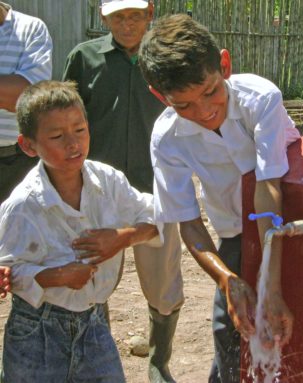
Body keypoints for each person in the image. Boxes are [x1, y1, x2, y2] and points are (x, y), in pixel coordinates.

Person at [138, 14, 299, 383]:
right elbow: (189, 223)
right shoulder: (167, 139)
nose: (204, 111)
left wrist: (270, 285)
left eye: (211, 91)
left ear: (224, 65)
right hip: (234, 241)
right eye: (184, 105)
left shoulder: (260, 99)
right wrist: (227, 279)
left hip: (284, 225)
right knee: (230, 335)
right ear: (159, 97)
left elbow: (267, 187)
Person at [0, 80, 162, 382]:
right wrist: (57, 276)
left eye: (80, 130)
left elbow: (158, 215)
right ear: (28, 145)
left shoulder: (108, 182)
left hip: (94, 324)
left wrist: (123, 238)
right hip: (37, 333)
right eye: (58, 136)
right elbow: (11, 273)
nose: (73, 144)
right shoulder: (23, 206)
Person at [62, 1, 183, 381]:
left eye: (134, 15)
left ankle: (158, 361)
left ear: (150, 13)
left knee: (163, 282)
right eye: (118, 17)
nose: (126, 24)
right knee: (93, 277)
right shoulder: (85, 58)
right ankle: (98, 353)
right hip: (96, 192)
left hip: (158, 187)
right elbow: (66, 114)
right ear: (103, 18)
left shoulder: (166, 57)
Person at [0, 2, 52, 203]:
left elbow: (26, 98)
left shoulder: (30, 29)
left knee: (18, 231)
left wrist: (16, 92)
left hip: (19, 163)